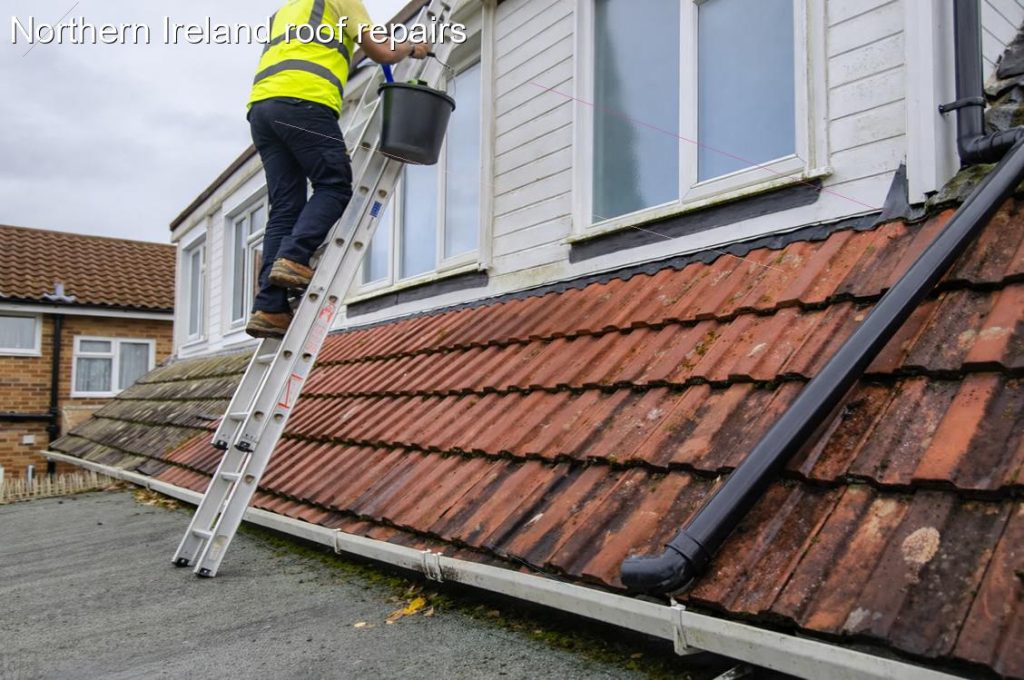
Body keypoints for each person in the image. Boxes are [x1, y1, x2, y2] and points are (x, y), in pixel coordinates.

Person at [245, 0, 430, 338]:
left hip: (262, 110)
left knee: (285, 207)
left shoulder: (286, 11)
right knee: (335, 185)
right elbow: (382, 52)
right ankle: (295, 256)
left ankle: (269, 307)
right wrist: (413, 47)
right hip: (304, 101)